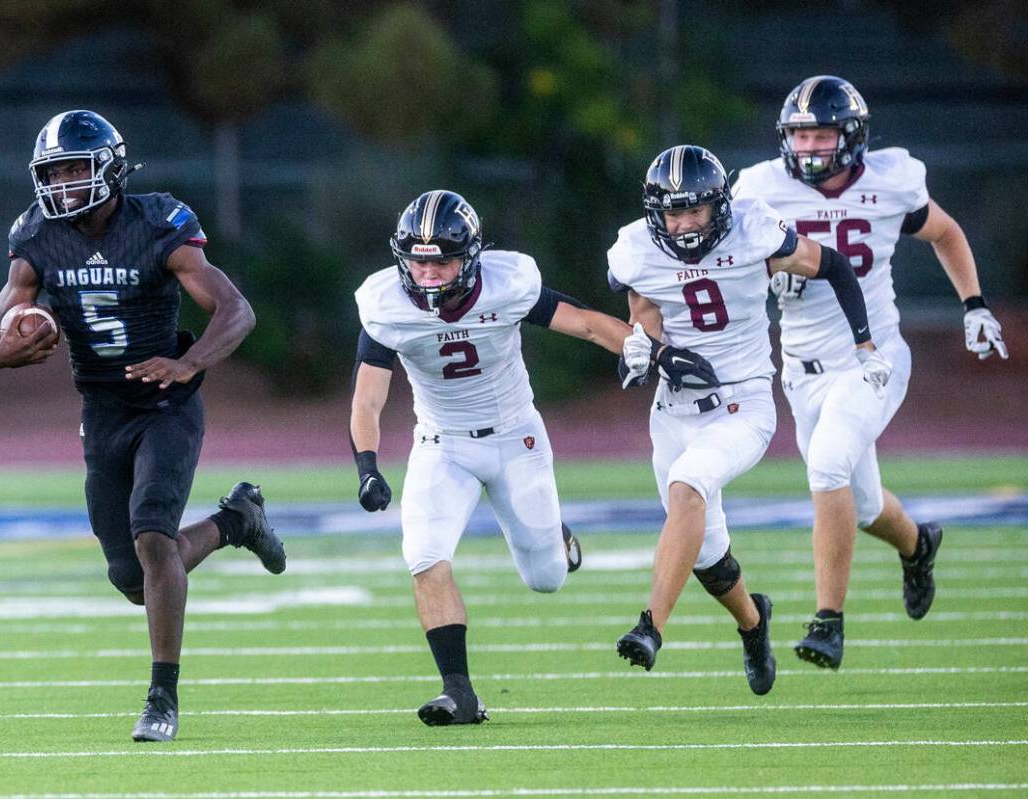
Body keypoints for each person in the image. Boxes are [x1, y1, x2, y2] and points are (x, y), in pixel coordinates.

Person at [0, 110, 286, 742]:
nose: (62, 184)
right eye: (53, 173)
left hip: (165, 403)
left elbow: (236, 308)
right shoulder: (35, 236)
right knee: (132, 579)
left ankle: (161, 699)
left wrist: (189, 361)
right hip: (103, 410)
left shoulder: (157, 223)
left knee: (152, 537)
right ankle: (236, 521)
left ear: (110, 169)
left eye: (74, 169)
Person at [732, 75, 1009, 669]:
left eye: (819, 134)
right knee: (859, 505)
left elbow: (945, 232)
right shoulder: (759, 189)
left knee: (828, 463)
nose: (807, 147)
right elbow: (728, 264)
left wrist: (975, 304)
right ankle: (918, 544)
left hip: (872, 356)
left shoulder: (890, 182)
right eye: (798, 135)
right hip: (800, 372)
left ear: (851, 136)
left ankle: (828, 621)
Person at [350, 189, 647, 725]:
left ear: (470, 257)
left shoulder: (507, 285)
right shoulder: (384, 304)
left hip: (516, 439)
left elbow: (582, 321)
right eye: (419, 261)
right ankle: (459, 692)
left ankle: (555, 533)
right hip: (441, 444)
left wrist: (643, 348)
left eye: (442, 260)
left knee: (546, 578)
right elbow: (367, 399)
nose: (430, 273)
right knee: (424, 556)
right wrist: (367, 466)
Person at [607, 144, 892, 695]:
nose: (686, 223)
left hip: (743, 404)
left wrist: (865, 344)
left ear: (721, 207)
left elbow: (832, 265)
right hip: (672, 412)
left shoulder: (755, 231)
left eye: (697, 210)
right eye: (675, 212)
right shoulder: (636, 250)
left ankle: (650, 628)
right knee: (707, 553)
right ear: (655, 213)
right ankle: (753, 621)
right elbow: (643, 319)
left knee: (688, 486)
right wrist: (644, 352)